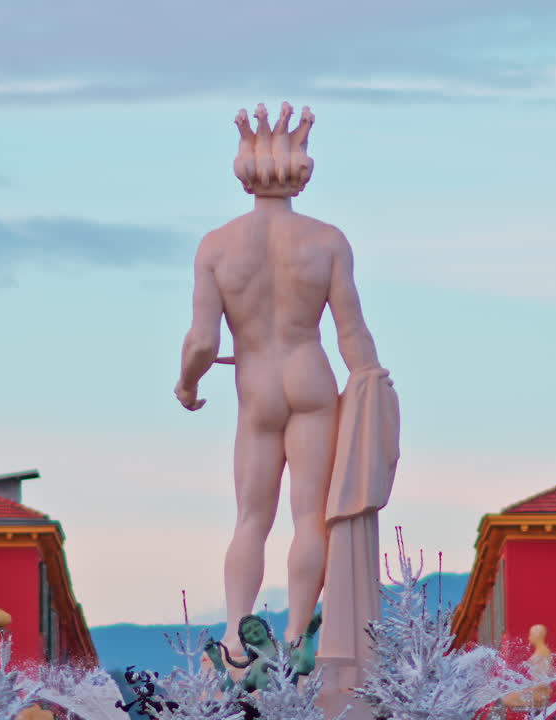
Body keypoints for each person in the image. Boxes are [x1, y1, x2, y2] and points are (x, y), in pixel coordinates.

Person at [175, 103, 388, 652]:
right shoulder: (326, 241)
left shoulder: (216, 247)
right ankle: (296, 635)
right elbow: (352, 333)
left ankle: (234, 640)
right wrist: (371, 384)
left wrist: (188, 384)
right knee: (310, 516)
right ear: (302, 174)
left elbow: (202, 342)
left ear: (243, 175)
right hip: (311, 377)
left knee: (251, 518)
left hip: (257, 387)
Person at [502, 624, 554, 711]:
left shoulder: (543, 653)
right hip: (537, 690)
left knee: (506, 700)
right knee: (505, 699)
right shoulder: (540, 652)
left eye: (531, 635)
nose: (529, 637)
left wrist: (526, 690)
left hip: (540, 693)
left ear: (537, 636)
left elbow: (544, 682)